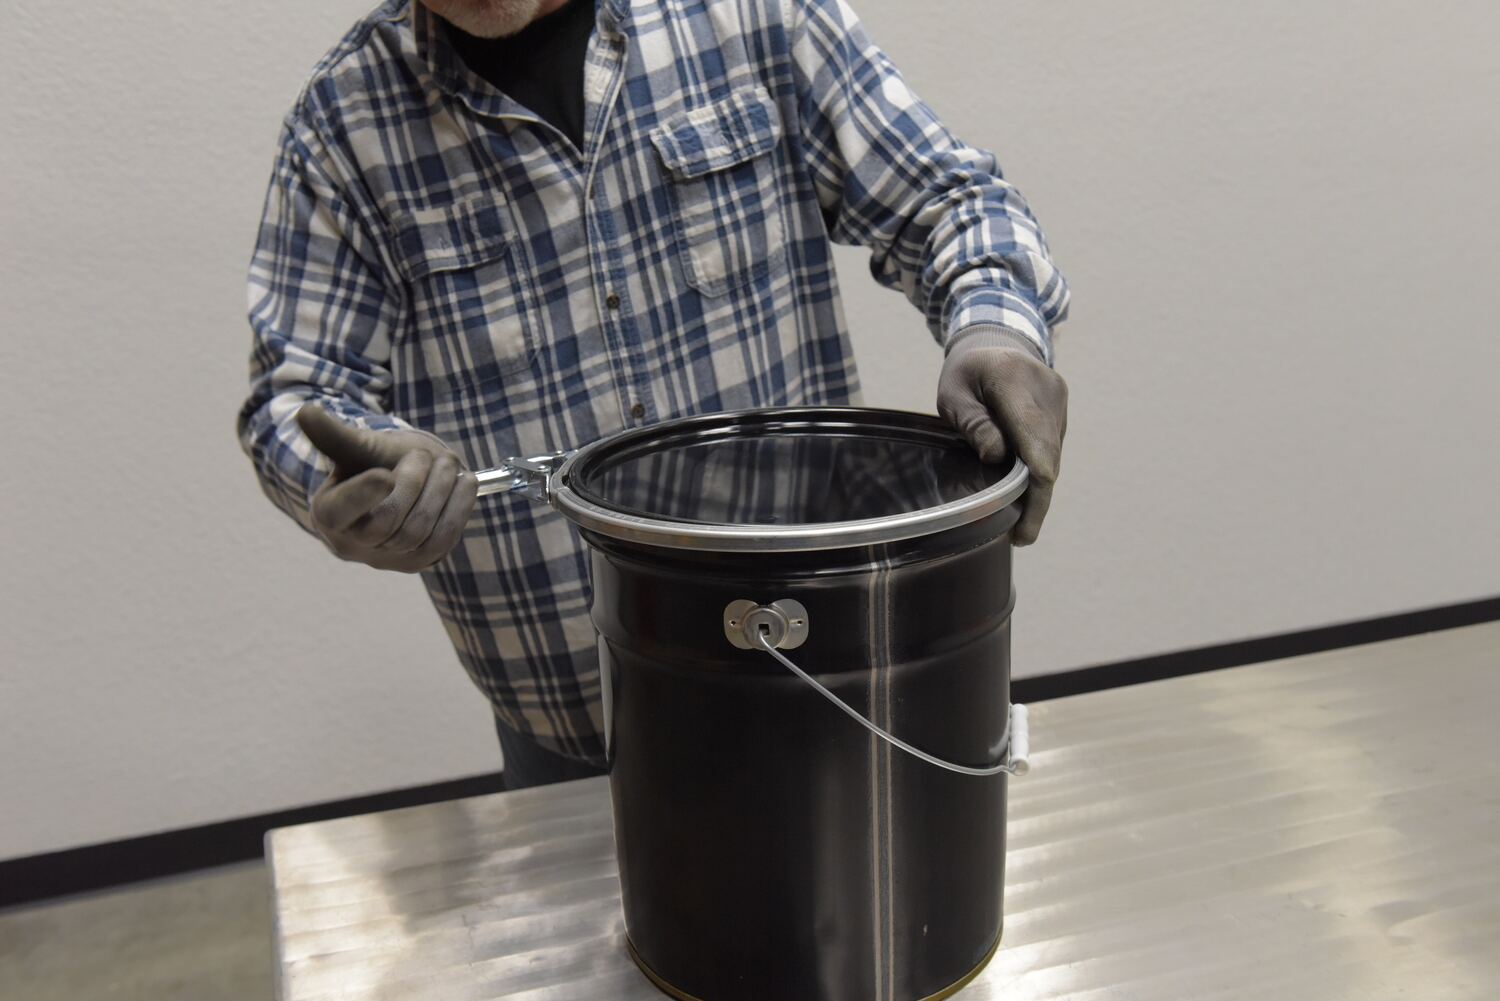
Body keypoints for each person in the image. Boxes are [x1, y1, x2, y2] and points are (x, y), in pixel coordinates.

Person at [238, 0, 1070, 790]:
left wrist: (994, 331)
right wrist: (348, 478)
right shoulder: (342, 125)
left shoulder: (749, 14)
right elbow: (295, 395)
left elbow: (949, 200)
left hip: (825, 677)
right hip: (575, 741)